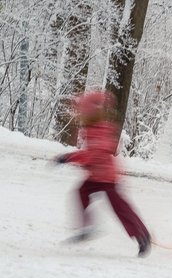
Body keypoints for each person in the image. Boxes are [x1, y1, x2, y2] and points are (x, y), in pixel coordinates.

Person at [54, 90, 151, 257]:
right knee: (82, 192)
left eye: (83, 112)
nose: (81, 115)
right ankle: (88, 227)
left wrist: (69, 157)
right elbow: (91, 154)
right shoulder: (92, 127)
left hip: (107, 177)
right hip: (96, 175)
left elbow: (93, 154)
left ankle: (142, 236)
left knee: (120, 207)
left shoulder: (100, 128)